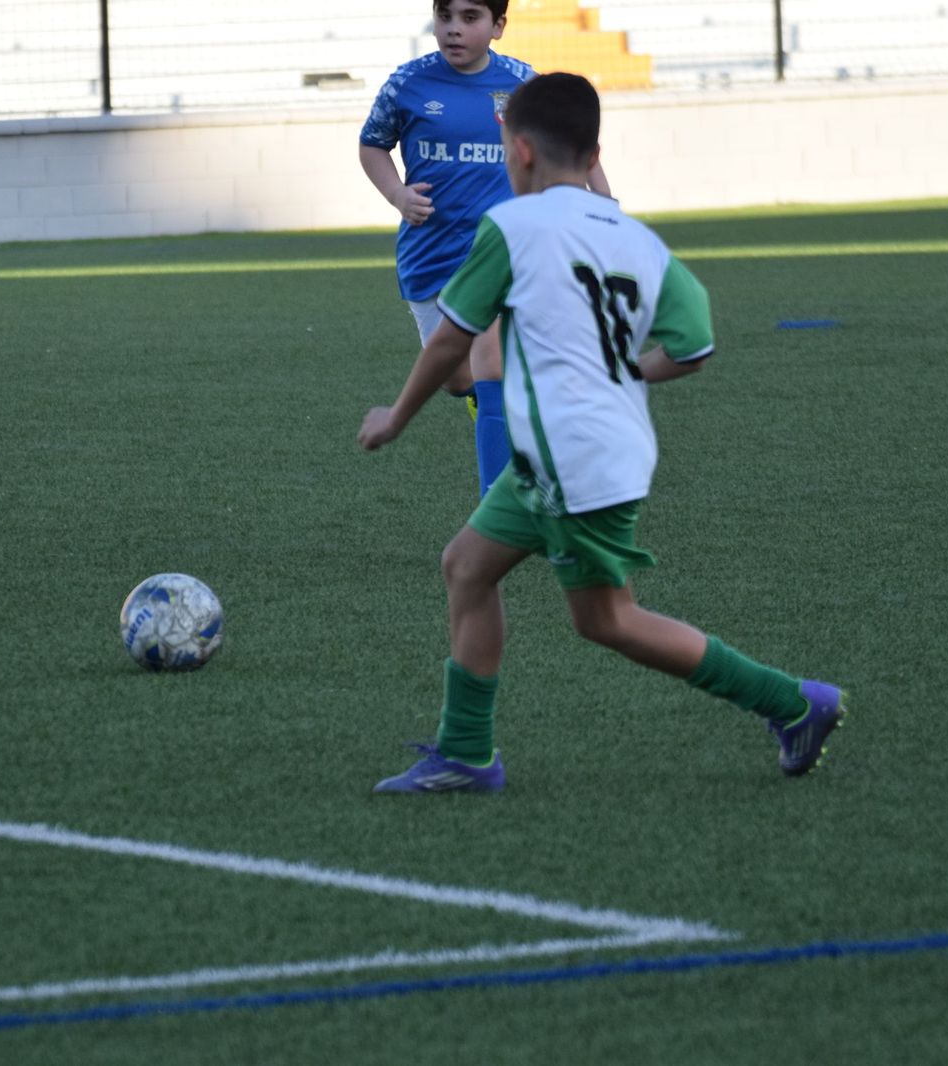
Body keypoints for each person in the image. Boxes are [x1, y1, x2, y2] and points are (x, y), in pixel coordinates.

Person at [358, 73, 846, 794]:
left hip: (567, 459)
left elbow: (448, 344)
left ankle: (794, 702)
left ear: (518, 151)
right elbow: (693, 346)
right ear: (593, 157)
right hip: (592, 449)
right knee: (467, 565)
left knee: (609, 619)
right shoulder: (634, 237)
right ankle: (465, 752)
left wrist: (395, 418)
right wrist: (625, 373)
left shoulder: (512, 228)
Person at [359, 0, 610, 497]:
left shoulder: (522, 84)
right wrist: (397, 195)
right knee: (456, 375)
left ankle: (503, 502)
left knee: (490, 356)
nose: (454, 30)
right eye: (444, 16)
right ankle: (484, 400)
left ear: (498, 26)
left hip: (504, 248)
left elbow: (574, 146)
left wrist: (606, 211)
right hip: (428, 254)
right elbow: (372, 144)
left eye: (470, 18)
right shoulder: (407, 84)